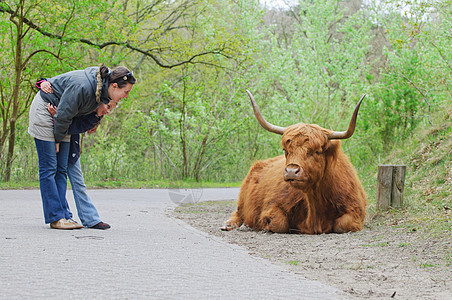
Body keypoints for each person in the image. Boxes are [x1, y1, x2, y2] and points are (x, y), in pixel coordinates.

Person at [28, 64, 136, 229]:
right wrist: (57, 140)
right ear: (114, 86)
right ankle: (55, 217)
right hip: (46, 111)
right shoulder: (86, 87)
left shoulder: (102, 94)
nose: (126, 96)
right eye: (126, 92)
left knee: (62, 169)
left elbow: (69, 118)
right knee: (49, 167)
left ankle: (64, 215)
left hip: (62, 121)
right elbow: (63, 113)